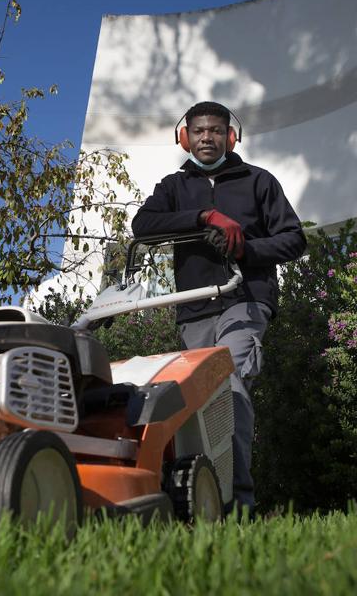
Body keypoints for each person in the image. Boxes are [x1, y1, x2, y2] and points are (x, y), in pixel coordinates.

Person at [131, 101, 306, 513]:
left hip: (245, 300)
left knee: (229, 386)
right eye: (198, 131)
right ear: (184, 137)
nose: (206, 138)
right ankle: (200, 500)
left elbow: (295, 239)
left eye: (214, 131)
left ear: (230, 136)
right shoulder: (174, 188)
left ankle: (238, 504)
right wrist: (204, 217)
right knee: (197, 406)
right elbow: (143, 225)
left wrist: (244, 247)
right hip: (194, 308)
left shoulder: (258, 182)